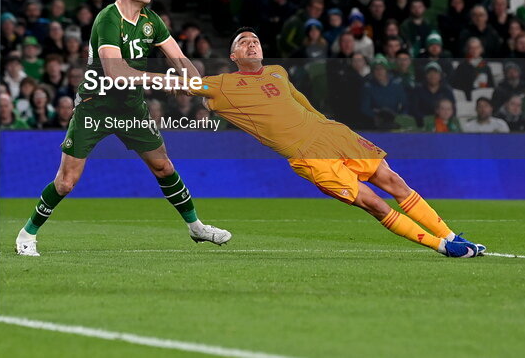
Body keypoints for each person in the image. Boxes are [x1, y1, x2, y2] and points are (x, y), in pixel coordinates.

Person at [191, 28, 484, 258]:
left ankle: (451, 236)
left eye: (255, 40)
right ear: (233, 56)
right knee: (374, 204)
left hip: (333, 134)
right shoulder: (221, 85)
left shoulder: (277, 72)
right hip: (308, 155)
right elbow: (176, 83)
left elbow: (300, 102)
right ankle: (441, 246)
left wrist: (325, 124)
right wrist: (142, 77)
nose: (252, 44)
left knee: (394, 181)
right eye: (243, 42)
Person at [15, 0, 230, 256]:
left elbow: (180, 59)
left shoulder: (151, 20)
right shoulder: (108, 19)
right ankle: (27, 234)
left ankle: (196, 227)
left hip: (131, 107)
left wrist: (199, 86)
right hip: (96, 106)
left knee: (163, 166)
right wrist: (166, 81)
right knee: (66, 181)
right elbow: (116, 73)